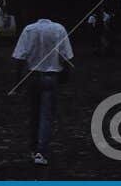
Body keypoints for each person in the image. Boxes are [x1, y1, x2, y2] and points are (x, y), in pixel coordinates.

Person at [12, 9, 74, 167]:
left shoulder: (28, 29)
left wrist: (17, 81)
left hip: (32, 75)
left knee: (33, 113)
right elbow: (66, 55)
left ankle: (33, 147)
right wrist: (66, 74)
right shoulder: (59, 29)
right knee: (46, 115)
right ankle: (42, 150)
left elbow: (19, 57)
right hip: (51, 76)